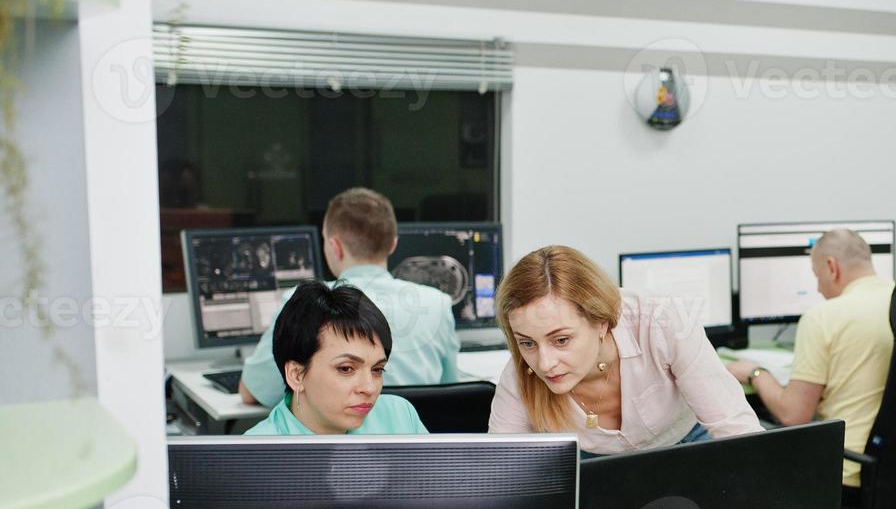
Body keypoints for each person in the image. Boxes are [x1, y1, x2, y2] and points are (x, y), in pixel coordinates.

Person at [488, 245, 761, 453]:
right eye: (527, 343)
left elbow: (735, 429)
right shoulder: (519, 375)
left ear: (602, 322)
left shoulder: (662, 322)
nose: (545, 363)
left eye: (561, 340)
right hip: (595, 465)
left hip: (687, 443)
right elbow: (500, 470)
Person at [239, 187, 459, 406]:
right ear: (393, 244)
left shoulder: (304, 304)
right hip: (411, 436)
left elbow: (254, 392)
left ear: (335, 247)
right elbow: (450, 388)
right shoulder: (437, 303)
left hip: (339, 439)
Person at [724, 229, 894, 498]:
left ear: (831, 267)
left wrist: (756, 373)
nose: (817, 288)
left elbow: (794, 415)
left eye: (817, 276)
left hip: (848, 471)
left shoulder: (823, 318)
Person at [245, 281, 428, 436]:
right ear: (296, 375)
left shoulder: (399, 417)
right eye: (346, 369)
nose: (369, 388)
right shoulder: (251, 453)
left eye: (377, 369)